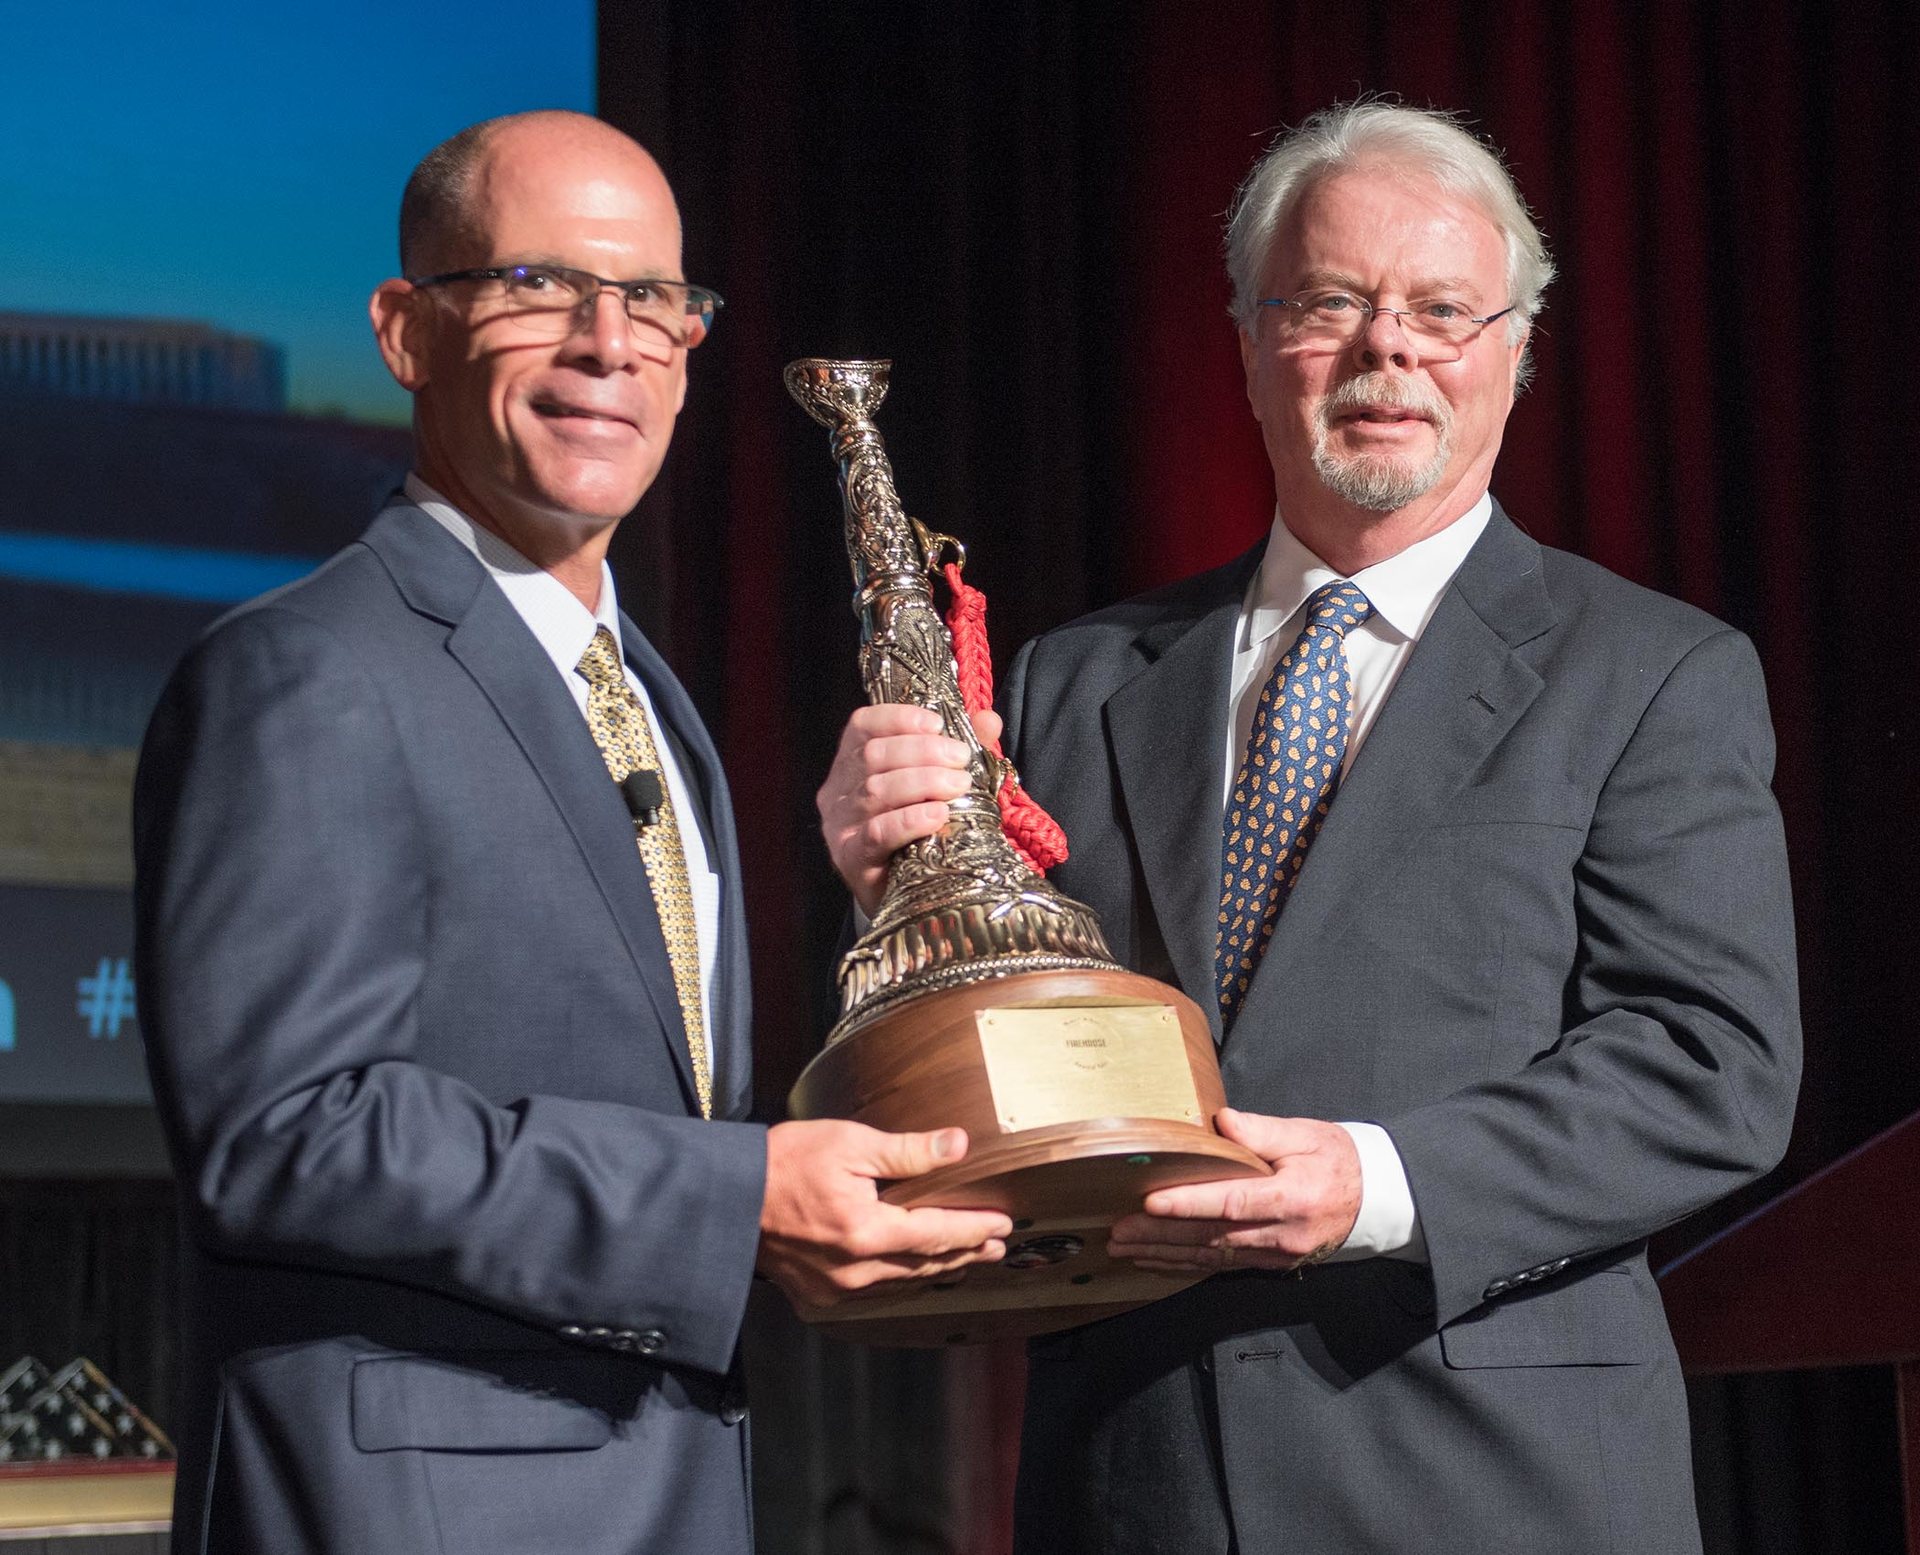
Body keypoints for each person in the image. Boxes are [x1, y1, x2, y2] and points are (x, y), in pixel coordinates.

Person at [818, 101, 1800, 1554]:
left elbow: (1713, 1067)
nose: (1387, 348)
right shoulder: (1073, 676)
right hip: (1130, 1479)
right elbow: (1007, 1036)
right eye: (1331, 301)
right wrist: (886, 881)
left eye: (1443, 310)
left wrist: (1376, 1183)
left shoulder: (1654, 673)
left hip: (1492, 1483)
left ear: (1517, 352)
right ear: (1247, 341)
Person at [134, 110, 1010, 1555]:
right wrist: (738, 1197)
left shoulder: (648, 698)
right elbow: (289, 1131)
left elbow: (639, 1088)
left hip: (654, 1485)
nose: (611, 342)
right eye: (542, 286)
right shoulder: (307, 671)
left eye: (656, 299)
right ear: (407, 330)